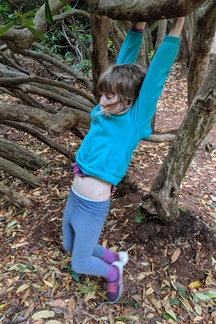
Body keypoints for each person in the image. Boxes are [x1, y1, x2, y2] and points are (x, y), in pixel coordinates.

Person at [62, 17, 185, 303]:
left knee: (79, 262)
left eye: (109, 97)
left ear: (129, 100)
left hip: (93, 206)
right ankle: (115, 257)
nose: (102, 102)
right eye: (103, 95)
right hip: (74, 195)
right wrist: (138, 26)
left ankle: (113, 272)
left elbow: (156, 76)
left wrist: (177, 27)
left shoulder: (134, 119)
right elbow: (123, 63)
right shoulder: (105, 110)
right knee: (70, 245)